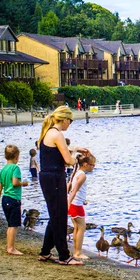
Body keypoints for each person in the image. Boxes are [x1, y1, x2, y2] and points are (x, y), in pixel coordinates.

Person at [37, 105, 90, 266]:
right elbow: (67, 160)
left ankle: (45, 252)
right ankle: (64, 256)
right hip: (54, 178)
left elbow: (57, 152)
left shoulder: (49, 132)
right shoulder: (57, 134)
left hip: (48, 176)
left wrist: (74, 149)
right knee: (59, 217)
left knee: (55, 215)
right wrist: (78, 160)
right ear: (65, 119)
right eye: (71, 121)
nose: (70, 124)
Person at [0, 145, 29, 255]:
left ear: (5, 156)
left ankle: (9, 246)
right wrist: (24, 183)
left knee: (10, 225)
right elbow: (15, 183)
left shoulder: (3, 170)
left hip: (5, 199)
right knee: (14, 225)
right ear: (16, 157)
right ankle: (11, 248)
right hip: (13, 199)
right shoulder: (15, 168)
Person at [67, 153, 97, 260]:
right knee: (82, 228)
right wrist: (69, 204)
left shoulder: (76, 173)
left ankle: (76, 251)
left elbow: (70, 188)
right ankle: (78, 252)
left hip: (76, 203)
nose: (93, 166)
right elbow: (74, 191)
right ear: (85, 164)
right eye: (92, 164)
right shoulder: (82, 175)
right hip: (76, 205)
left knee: (77, 228)